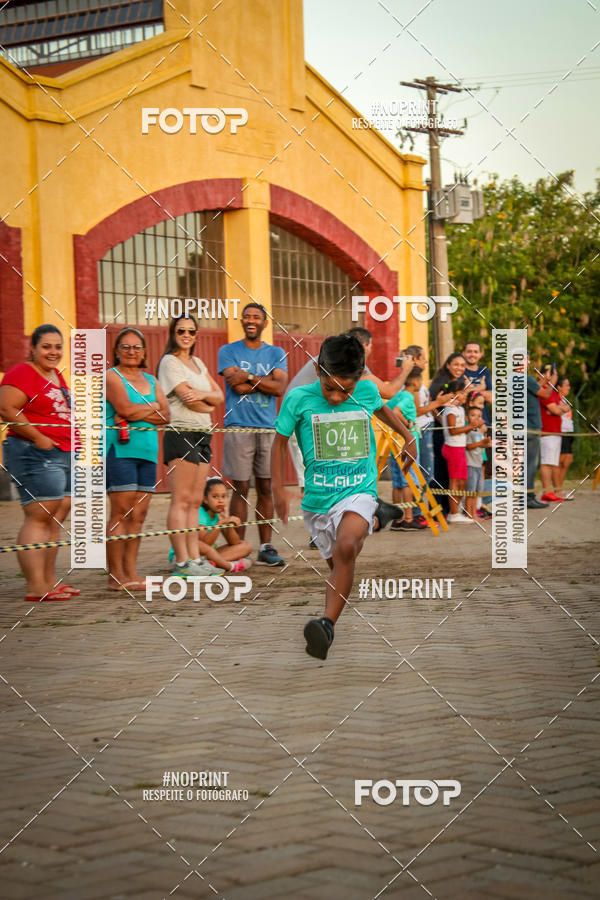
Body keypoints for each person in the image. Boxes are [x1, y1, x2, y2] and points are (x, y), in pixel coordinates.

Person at [271, 334, 417, 660]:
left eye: (346, 391)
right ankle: (379, 517)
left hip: (358, 490)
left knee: (346, 547)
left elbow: (383, 411)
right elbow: (279, 443)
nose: (337, 397)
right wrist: (277, 487)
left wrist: (407, 435)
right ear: (318, 371)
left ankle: (326, 625)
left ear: (359, 379)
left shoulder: (365, 391)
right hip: (318, 503)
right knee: (338, 562)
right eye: (330, 388)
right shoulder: (298, 399)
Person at [0, 325, 75, 601]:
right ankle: (36, 587)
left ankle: (49, 581)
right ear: (32, 348)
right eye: (46, 347)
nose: (53, 352)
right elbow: (6, 407)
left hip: (63, 453)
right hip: (34, 452)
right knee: (39, 515)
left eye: (58, 347)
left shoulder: (56, 376)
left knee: (55, 516)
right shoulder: (22, 372)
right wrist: (38, 437)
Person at [218, 303, 288, 566]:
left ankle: (266, 548)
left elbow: (279, 388)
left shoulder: (276, 352)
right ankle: (239, 547)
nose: (251, 320)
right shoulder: (228, 350)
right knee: (241, 487)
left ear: (264, 323)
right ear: (242, 321)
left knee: (266, 487)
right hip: (238, 425)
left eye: (256, 317)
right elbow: (235, 386)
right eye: (247, 316)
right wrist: (264, 381)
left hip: (269, 427)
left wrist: (247, 375)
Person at [158, 316, 225, 578]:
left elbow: (218, 395)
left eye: (191, 331)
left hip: (202, 434)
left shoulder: (197, 362)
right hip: (181, 431)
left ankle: (195, 558)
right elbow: (195, 401)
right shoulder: (169, 362)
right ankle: (182, 562)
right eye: (181, 330)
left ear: (196, 335)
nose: (186, 334)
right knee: (181, 500)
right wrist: (207, 400)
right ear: (173, 333)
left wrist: (206, 398)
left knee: (195, 501)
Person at [105, 328, 170, 590]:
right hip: (120, 452)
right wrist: (153, 407)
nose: (131, 352)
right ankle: (115, 576)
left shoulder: (152, 380)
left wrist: (140, 412)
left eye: (136, 347)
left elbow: (167, 417)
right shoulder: (112, 377)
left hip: (147, 453)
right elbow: (124, 410)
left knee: (139, 516)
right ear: (117, 351)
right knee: (121, 513)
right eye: (125, 347)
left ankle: (131, 574)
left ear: (144, 352)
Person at [167, 478, 253, 573]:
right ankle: (227, 565)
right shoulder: (200, 512)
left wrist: (227, 522)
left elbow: (234, 542)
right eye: (215, 497)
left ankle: (211, 563)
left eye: (223, 496)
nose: (220, 500)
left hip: (206, 554)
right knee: (202, 546)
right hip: (185, 556)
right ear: (205, 499)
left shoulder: (217, 515)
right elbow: (204, 543)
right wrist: (220, 524)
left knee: (246, 546)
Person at [386, 366, 428, 531]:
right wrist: (408, 424)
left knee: (397, 482)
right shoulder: (408, 397)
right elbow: (395, 412)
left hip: (394, 443)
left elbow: (387, 409)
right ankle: (408, 518)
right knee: (409, 481)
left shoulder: (397, 395)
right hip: (408, 444)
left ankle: (397, 518)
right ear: (417, 381)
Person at [428, 353, 467, 515]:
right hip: (442, 435)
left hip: (450, 434)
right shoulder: (441, 383)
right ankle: (437, 510)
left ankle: (445, 509)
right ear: (448, 365)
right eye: (456, 364)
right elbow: (434, 405)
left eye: (462, 365)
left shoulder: (454, 383)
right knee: (441, 474)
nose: (459, 368)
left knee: (449, 474)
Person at [441, 381, 474, 524]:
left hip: (460, 447)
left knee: (462, 480)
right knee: (455, 480)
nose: (465, 395)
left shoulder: (460, 409)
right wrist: (471, 426)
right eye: (462, 393)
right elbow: (452, 430)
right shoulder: (450, 410)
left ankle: (456, 511)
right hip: (452, 448)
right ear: (453, 394)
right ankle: (453, 513)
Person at [538, 365, 570, 503]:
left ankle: (551, 491)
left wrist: (559, 409)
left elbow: (565, 407)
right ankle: (547, 492)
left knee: (552, 462)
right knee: (547, 462)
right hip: (548, 432)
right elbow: (557, 410)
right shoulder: (544, 391)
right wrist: (559, 409)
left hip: (556, 432)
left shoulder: (553, 393)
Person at [525, 357, 553, 509]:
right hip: (531, 427)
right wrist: (551, 382)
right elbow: (545, 395)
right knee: (530, 464)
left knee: (523, 464)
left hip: (522, 427)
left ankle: (524, 496)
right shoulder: (526, 378)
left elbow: (534, 389)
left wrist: (543, 381)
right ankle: (528, 497)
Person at [465, 406, 491, 521]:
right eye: (473, 415)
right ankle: (469, 514)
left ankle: (474, 514)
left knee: (476, 491)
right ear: (467, 417)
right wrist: (481, 442)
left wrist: (486, 444)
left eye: (479, 416)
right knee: (470, 491)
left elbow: (479, 445)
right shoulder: (468, 431)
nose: (476, 418)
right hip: (470, 464)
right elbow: (469, 446)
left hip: (478, 464)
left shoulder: (478, 431)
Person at [463, 340, 492, 424]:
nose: (472, 354)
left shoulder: (484, 371)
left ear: (480, 354)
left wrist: (470, 389)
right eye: (469, 351)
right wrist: (481, 388)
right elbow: (461, 396)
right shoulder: (460, 370)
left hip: (484, 420)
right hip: (466, 422)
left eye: (475, 352)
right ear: (463, 353)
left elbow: (490, 397)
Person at [556, 377, 574, 498]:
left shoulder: (565, 400)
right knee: (560, 461)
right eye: (566, 385)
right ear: (559, 387)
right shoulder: (554, 399)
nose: (569, 387)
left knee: (567, 460)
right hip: (560, 432)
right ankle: (556, 490)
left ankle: (560, 489)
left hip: (569, 432)